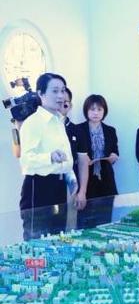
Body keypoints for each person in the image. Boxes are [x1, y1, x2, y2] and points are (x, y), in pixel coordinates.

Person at [19, 73, 76, 239]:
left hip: (59, 187)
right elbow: (26, 160)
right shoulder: (33, 122)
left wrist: (71, 179)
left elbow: (66, 159)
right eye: (55, 91)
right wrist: (49, 157)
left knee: (57, 240)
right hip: (38, 188)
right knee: (37, 242)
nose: (61, 96)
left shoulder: (59, 121)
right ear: (41, 94)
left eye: (63, 91)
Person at [76, 94, 119, 227]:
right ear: (86, 110)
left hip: (106, 180)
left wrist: (114, 156)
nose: (96, 113)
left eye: (99, 109)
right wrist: (82, 159)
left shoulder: (110, 130)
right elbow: (73, 154)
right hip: (86, 181)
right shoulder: (78, 129)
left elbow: (115, 151)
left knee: (105, 221)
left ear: (104, 111)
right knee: (85, 221)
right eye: (92, 109)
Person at [59, 87, 89, 210]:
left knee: (70, 219)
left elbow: (83, 163)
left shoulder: (77, 130)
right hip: (45, 185)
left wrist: (82, 191)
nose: (60, 105)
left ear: (70, 105)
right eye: (57, 101)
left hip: (71, 184)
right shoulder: (40, 127)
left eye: (64, 102)